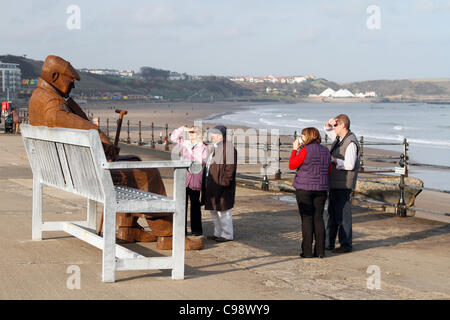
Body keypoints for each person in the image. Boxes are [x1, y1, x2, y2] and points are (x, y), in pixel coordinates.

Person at [28, 55, 202, 250]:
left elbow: (66, 118)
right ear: (54, 76)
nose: (73, 86)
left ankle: (127, 228)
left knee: (134, 160)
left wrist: (73, 106)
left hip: (63, 170)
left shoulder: (41, 96)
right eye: (71, 81)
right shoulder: (50, 100)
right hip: (85, 174)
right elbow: (55, 117)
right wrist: (99, 133)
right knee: (148, 173)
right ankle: (167, 234)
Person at [289, 127, 331, 258]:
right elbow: (328, 170)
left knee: (307, 219)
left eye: (303, 136)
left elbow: (292, 165)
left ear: (308, 137)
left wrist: (295, 149)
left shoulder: (304, 150)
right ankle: (320, 251)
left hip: (304, 188)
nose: (301, 138)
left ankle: (307, 251)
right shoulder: (326, 151)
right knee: (319, 218)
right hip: (321, 189)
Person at [324, 114, 361, 253]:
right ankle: (329, 243)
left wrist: (334, 160)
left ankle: (345, 245)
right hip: (336, 182)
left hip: (344, 183)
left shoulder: (350, 142)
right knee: (333, 214)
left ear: (343, 125)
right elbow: (327, 131)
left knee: (343, 216)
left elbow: (350, 165)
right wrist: (329, 123)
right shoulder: (341, 139)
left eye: (336, 125)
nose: (334, 128)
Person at [201, 125, 237, 242]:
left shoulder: (229, 148)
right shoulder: (215, 147)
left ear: (221, 135)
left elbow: (230, 169)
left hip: (221, 185)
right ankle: (217, 233)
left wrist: (224, 183)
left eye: (214, 134)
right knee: (214, 210)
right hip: (212, 183)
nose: (212, 136)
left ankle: (227, 234)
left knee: (224, 211)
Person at [170, 125, 208, 236]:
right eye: (190, 132)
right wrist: (183, 129)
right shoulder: (184, 143)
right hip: (184, 177)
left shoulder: (203, 147)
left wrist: (191, 160)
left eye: (193, 132)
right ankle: (182, 229)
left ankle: (196, 230)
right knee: (182, 204)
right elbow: (173, 137)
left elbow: (202, 161)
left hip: (195, 179)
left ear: (199, 134)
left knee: (195, 205)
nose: (191, 134)